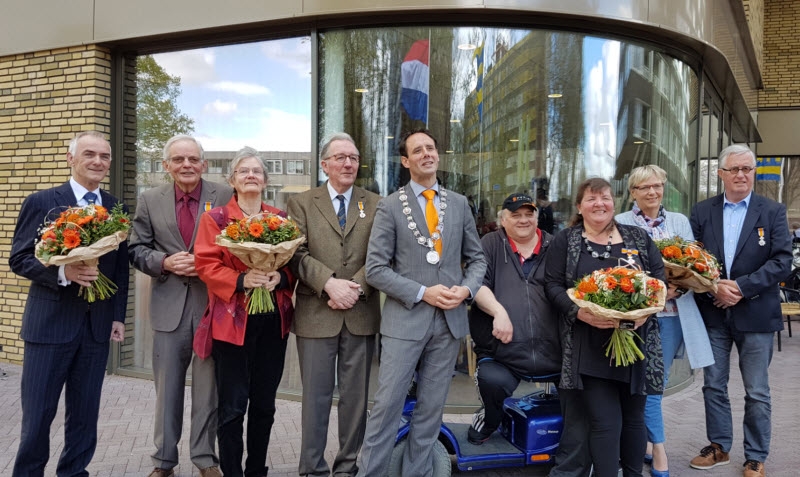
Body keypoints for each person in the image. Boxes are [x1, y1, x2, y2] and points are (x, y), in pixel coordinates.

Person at [359, 129, 486, 476]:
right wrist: (422, 292)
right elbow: (375, 270)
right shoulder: (389, 205)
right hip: (405, 322)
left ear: (438, 156)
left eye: (431, 148)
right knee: (386, 408)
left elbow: (477, 260)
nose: (426, 154)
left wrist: (465, 290)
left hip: (448, 324)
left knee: (431, 412)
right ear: (406, 161)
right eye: (418, 150)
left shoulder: (459, 204)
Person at [9, 131, 129, 476]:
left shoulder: (115, 206)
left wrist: (117, 317)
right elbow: (20, 259)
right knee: (38, 417)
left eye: (104, 156)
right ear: (70, 158)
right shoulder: (43, 201)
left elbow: (119, 270)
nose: (98, 162)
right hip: (49, 328)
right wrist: (63, 273)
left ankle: (75, 472)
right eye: (89, 154)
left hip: (95, 330)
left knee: (85, 415)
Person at [544, 177, 665, 477]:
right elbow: (552, 285)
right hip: (589, 349)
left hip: (635, 346)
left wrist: (644, 314)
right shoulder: (567, 240)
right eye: (592, 198)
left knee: (635, 420)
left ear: (614, 202)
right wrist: (579, 312)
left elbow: (658, 281)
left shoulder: (637, 237)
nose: (600, 203)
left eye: (606, 197)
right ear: (580, 206)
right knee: (605, 422)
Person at [467, 192, 592, 476]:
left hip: (558, 352)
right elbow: (476, 284)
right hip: (504, 352)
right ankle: (490, 419)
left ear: (537, 216)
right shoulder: (490, 243)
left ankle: (569, 464)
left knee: (579, 403)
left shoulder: (556, 244)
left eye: (529, 213)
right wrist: (498, 312)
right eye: (515, 214)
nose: (523, 219)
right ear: (503, 219)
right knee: (492, 381)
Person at [129, 135, 232, 477]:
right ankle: (164, 461)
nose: (186, 165)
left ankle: (205, 458)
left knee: (208, 390)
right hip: (169, 306)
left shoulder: (224, 196)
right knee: (167, 391)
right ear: (166, 165)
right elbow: (135, 249)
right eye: (178, 160)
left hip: (211, 306)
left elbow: (238, 246)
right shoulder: (149, 200)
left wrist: (210, 264)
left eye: (193, 159)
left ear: (204, 164)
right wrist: (165, 262)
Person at [688, 144, 791, 477]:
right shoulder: (702, 211)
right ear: (720, 174)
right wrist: (714, 285)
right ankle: (718, 447)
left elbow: (782, 261)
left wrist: (741, 288)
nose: (742, 175)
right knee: (713, 385)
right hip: (714, 311)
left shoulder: (772, 211)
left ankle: (755, 456)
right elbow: (690, 258)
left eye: (748, 169)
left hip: (757, 313)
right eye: (734, 169)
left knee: (757, 390)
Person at [193, 146, 295, 477]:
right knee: (233, 406)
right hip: (232, 324)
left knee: (264, 404)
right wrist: (241, 279)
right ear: (232, 179)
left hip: (272, 322)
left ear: (265, 179)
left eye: (256, 171)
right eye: (243, 171)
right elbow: (206, 265)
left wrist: (280, 276)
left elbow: (294, 265)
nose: (250, 175)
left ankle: (256, 470)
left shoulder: (279, 219)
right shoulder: (216, 219)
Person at [287, 133, 381, 477]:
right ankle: (312, 468)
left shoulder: (375, 202)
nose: (348, 163)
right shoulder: (301, 203)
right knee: (315, 398)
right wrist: (328, 283)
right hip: (315, 313)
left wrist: (354, 287)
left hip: (360, 313)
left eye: (353, 158)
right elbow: (294, 252)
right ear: (324, 164)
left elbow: (383, 254)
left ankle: (348, 468)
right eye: (340, 157)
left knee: (356, 401)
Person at [616, 165, 714, 477]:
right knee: (640, 385)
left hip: (671, 317)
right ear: (633, 192)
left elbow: (693, 264)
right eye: (644, 187)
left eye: (657, 186)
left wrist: (678, 286)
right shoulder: (620, 223)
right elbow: (618, 270)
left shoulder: (679, 222)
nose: (652, 192)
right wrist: (653, 289)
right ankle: (656, 449)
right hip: (636, 318)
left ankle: (650, 444)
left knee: (652, 386)